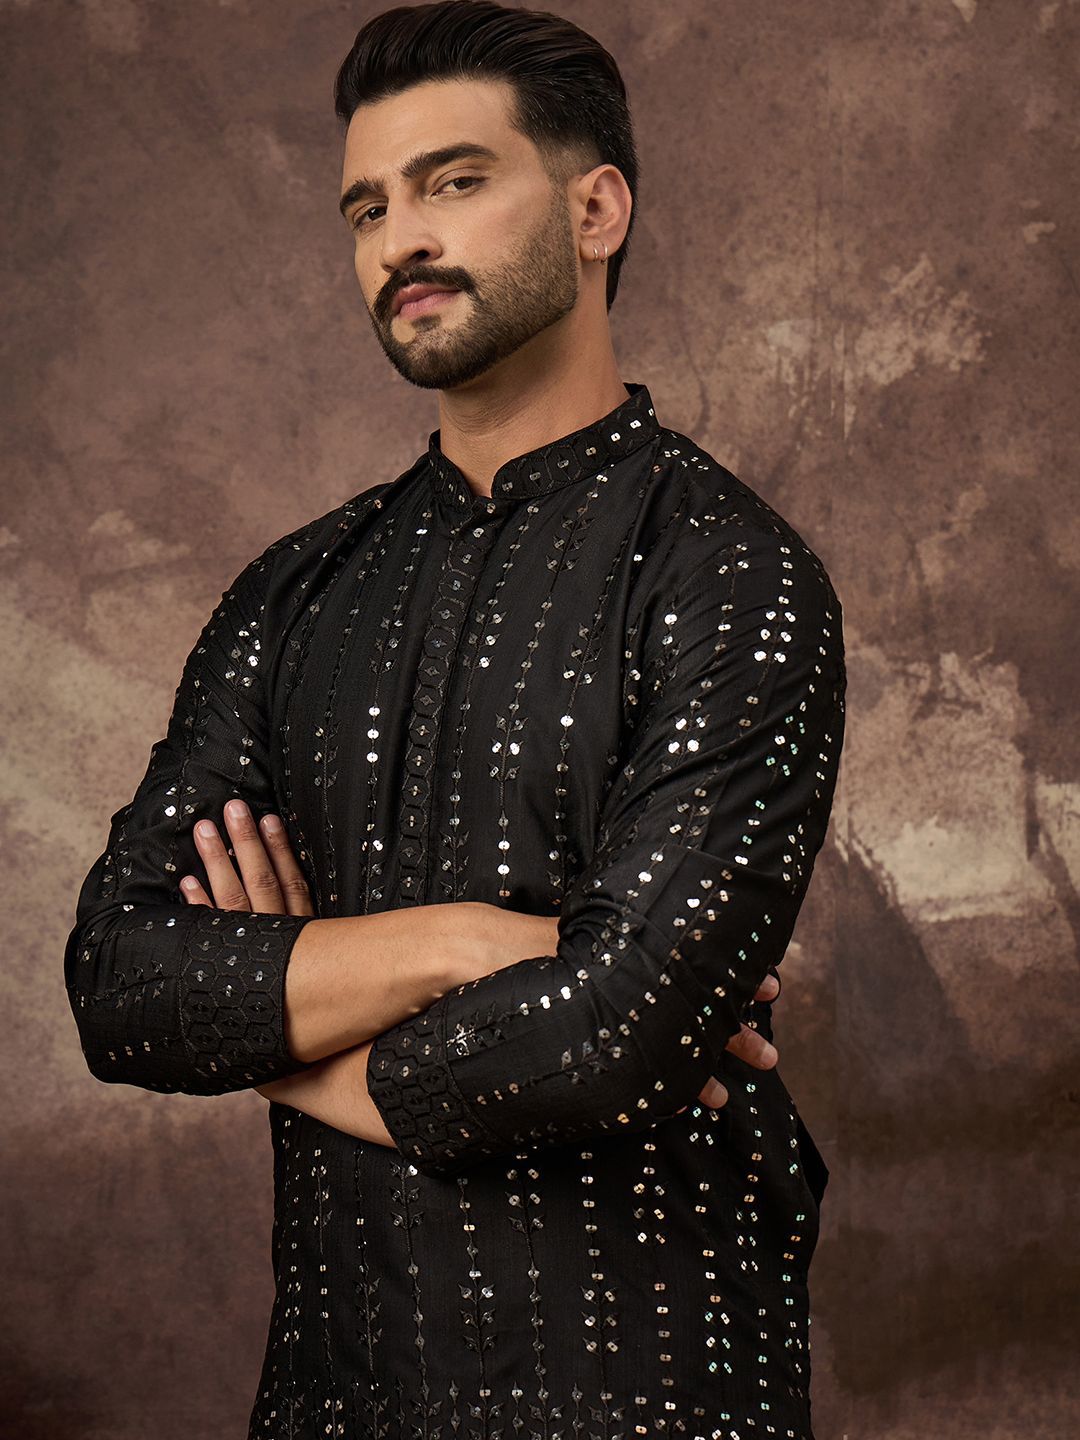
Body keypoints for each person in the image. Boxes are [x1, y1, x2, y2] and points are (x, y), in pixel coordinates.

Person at [63, 3, 846, 1436]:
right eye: (368, 206)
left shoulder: (732, 573)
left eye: (454, 182)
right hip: (335, 1397)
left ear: (596, 210)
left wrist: (276, 1032)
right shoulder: (293, 594)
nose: (398, 240)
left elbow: (612, 1039)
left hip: (654, 1396)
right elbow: (120, 982)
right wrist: (479, 945)